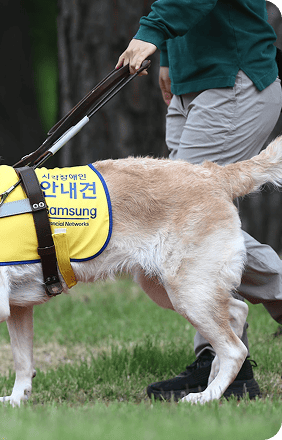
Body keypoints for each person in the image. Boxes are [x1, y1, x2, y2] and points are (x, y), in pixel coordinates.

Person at [117, 0, 282, 401]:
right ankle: (223, 359)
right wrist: (171, 56)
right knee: (188, 231)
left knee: (179, 231)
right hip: (193, 86)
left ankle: (223, 363)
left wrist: (153, 32)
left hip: (233, 82)